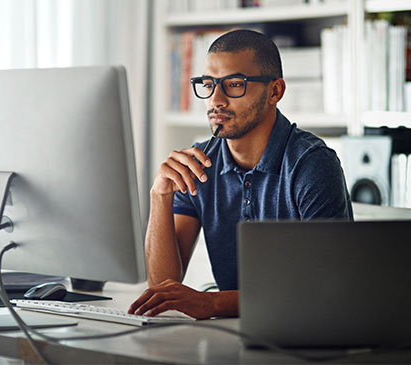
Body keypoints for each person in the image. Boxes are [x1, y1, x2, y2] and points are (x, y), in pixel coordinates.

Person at [128, 29, 353, 319]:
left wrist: (212, 304)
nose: (216, 100)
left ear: (275, 91)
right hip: (231, 336)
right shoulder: (199, 163)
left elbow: (326, 289)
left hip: (303, 337)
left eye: (234, 84)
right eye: (208, 84)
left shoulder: (312, 164)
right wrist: (159, 195)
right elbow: (162, 288)